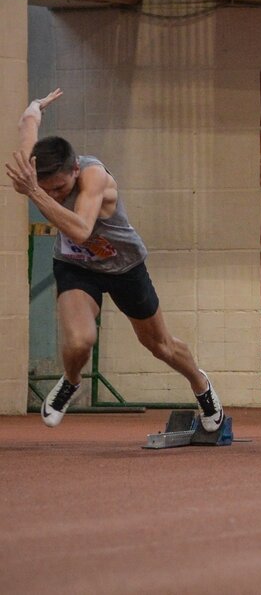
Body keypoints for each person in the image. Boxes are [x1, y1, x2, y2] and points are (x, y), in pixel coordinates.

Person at [6, 89, 224, 430]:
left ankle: (201, 385)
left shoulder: (95, 177)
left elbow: (79, 230)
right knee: (80, 340)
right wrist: (35, 107)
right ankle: (71, 380)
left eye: (60, 189)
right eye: (47, 190)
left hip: (123, 266)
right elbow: (27, 126)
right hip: (77, 266)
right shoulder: (33, 168)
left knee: (160, 346)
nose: (53, 196)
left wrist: (34, 192)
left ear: (75, 170)